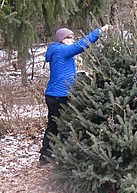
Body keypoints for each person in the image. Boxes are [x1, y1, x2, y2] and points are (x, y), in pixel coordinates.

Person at [39, 25, 109, 165]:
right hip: (60, 96)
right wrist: (99, 31)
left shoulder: (56, 51)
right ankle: (66, 159)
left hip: (53, 95)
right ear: (61, 40)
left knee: (53, 126)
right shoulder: (61, 50)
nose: (71, 40)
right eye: (68, 37)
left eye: (72, 37)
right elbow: (81, 45)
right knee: (66, 126)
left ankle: (45, 157)